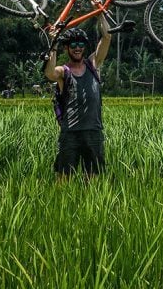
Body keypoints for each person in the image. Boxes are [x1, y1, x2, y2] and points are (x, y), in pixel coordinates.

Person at [44, 16, 112, 179]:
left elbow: (107, 37)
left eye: (81, 44)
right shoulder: (63, 71)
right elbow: (50, 74)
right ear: (66, 48)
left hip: (93, 131)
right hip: (71, 132)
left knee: (93, 177)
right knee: (64, 177)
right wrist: (53, 45)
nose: (77, 48)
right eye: (73, 44)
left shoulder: (93, 64)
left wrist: (100, 13)